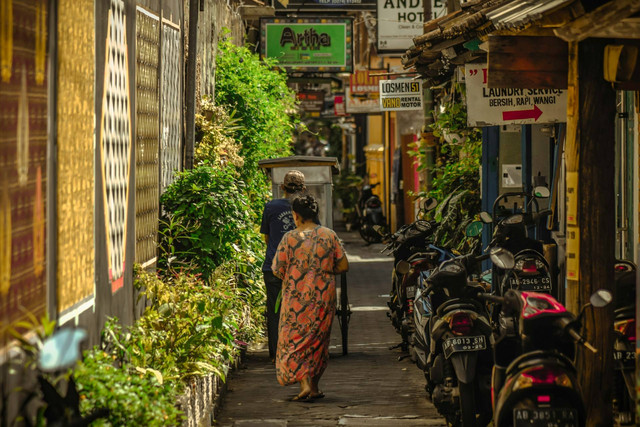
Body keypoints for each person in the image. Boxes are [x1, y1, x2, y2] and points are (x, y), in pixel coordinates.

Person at [272, 195, 349, 401]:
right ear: (316, 214)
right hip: (323, 298)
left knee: (294, 341)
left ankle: (305, 385)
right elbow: (343, 266)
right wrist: (321, 270)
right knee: (318, 341)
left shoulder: (289, 238)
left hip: (295, 300)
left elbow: (277, 269)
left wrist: (297, 274)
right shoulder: (329, 235)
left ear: (295, 216)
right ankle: (313, 387)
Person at [260, 170, 307, 363]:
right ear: (303, 188)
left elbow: (267, 237)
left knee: (275, 311)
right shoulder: (307, 207)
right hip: (300, 270)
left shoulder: (270, 207)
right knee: (300, 310)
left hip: (273, 267)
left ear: (282, 188)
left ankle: (276, 354)